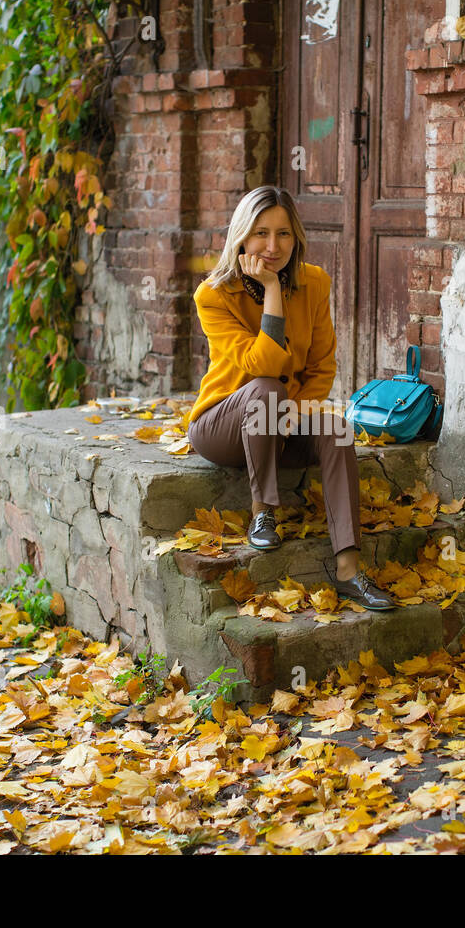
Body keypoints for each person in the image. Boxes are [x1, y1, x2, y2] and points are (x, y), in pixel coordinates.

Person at [186, 186, 396, 611]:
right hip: (222, 425)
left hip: (281, 421)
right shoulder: (214, 295)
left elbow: (322, 367)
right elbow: (260, 364)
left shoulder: (315, 283)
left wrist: (292, 417)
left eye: (283, 234)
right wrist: (273, 293)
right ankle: (262, 510)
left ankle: (349, 570)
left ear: (295, 238)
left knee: (335, 427)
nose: (272, 246)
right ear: (241, 237)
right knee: (267, 388)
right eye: (260, 233)